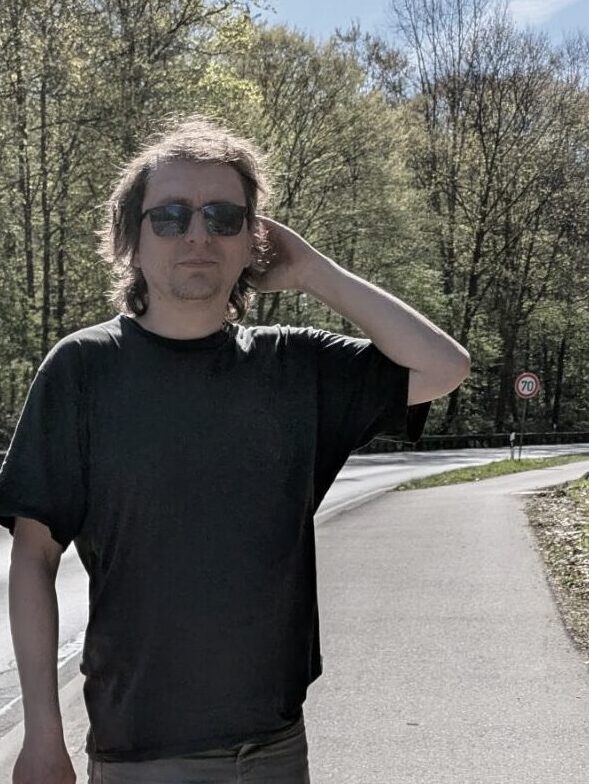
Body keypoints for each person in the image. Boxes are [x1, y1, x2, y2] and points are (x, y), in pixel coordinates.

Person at [0, 115, 470, 784]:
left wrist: (312, 270)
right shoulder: (83, 369)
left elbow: (443, 366)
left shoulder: (296, 367)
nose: (197, 234)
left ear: (254, 240)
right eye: (170, 216)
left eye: (223, 217)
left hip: (276, 749)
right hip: (142, 755)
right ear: (131, 237)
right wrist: (43, 736)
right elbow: (33, 557)